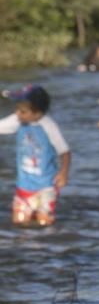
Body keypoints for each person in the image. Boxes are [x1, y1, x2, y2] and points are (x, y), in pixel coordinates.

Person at [0, 86, 70, 227]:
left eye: (23, 111)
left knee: (44, 223)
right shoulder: (18, 121)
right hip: (24, 186)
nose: (18, 113)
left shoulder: (48, 126)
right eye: (17, 109)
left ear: (37, 113)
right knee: (19, 222)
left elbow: (65, 151)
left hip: (46, 186)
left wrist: (63, 173)